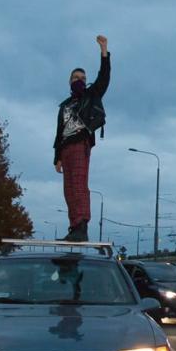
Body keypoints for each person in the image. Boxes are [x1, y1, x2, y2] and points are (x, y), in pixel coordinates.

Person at [53, 35, 110, 242]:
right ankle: (74, 227)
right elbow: (59, 132)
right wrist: (56, 157)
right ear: (70, 81)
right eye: (76, 78)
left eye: (83, 79)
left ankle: (82, 226)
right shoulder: (65, 105)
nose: (80, 81)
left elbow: (103, 78)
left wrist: (104, 51)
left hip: (80, 142)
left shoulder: (91, 95)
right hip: (66, 147)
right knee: (68, 189)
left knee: (78, 184)